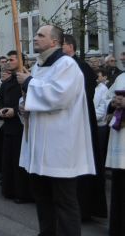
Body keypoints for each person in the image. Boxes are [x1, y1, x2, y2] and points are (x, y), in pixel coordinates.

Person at [16, 25, 95, 236]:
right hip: (38, 144)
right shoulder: (37, 66)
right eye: (35, 34)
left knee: (64, 200)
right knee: (42, 198)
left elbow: (59, 96)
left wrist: (30, 83)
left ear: (54, 42)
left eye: (40, 35)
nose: (35, 38)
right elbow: (31, 98)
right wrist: (23, 104)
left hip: (60, 146)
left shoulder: (67, 65)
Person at [62, 34, 107, 220]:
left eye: (62, 45)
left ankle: (85, 208)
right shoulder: (65, 66)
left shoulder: (80, 67)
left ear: (70, 46)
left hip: (81, 122)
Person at [0, 50, 31, 203]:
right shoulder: (7, 82)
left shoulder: (28, 81)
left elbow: (31, 101)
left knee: (20, 160)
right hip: (9, 126)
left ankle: (22, 192)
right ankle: (9, 189)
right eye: (7, 59)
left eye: (12, 59)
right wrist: (2, 110)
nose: (8, 62)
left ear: (21, 61)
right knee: (9, 158)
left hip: (23, 126)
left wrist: (15, 111)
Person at [105, 72, 125, 236]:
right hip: (120, 140)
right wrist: (113, 103)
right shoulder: (120, 78)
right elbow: (107, 98)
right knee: (119, 187)